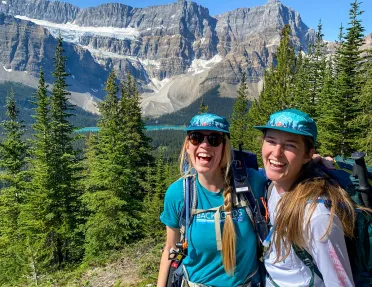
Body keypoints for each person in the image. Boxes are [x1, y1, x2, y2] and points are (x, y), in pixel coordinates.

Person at [157, 113, 267, 287]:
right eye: (196, 137)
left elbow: (286, 175)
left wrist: (315, 164)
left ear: (225, 147)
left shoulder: (251, 183)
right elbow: (171, 248)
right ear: (187, 145)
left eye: (214, 139)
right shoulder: (178, 193)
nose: (204, 145)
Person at [254, 109, 356, 287]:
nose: (276, 153)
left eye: (290, 145)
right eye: (271, 141)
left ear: (307, 154)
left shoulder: (317, 216)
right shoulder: (272, 185)